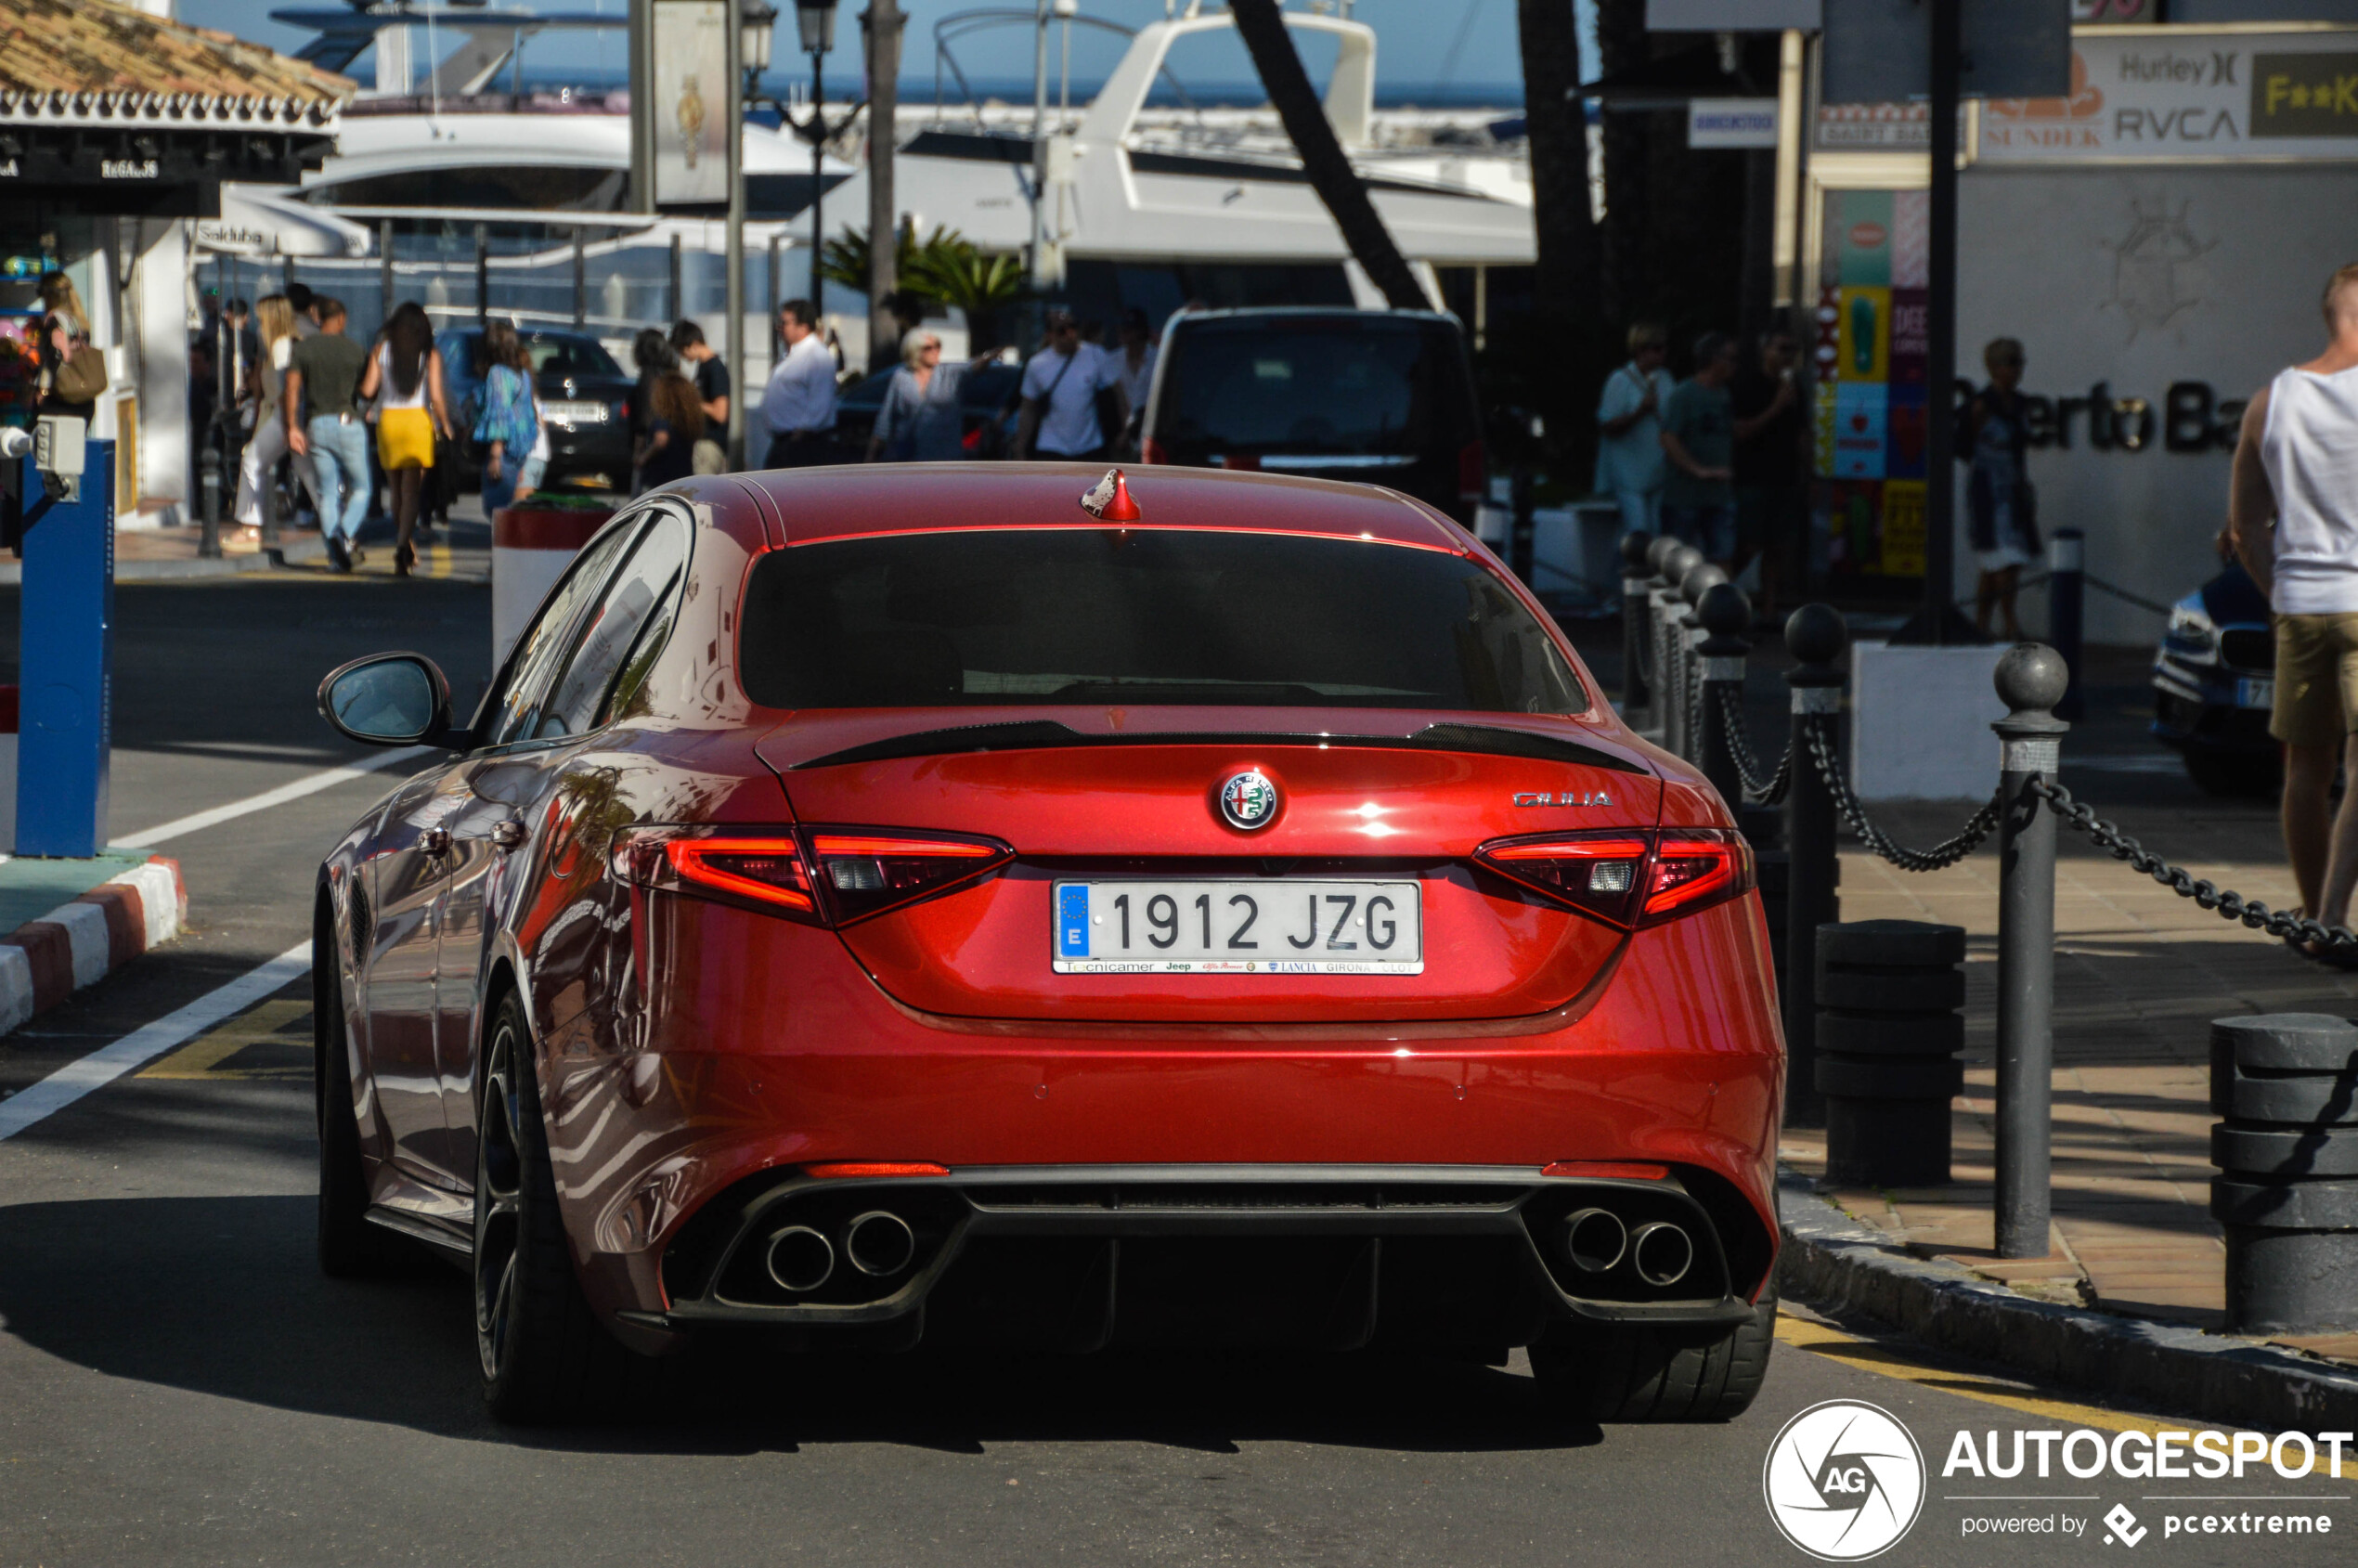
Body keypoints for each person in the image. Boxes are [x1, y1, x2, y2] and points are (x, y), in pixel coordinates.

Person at [2229, 262, 2358, 956]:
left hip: (2301, 605)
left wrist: (2282, 595)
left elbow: (2245, 529)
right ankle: (2336, 911)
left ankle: (2313, 912)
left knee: (2304, 771)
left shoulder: (2269, 402)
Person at [356, 301, 453, 576]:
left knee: (396, 491)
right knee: (412, 492)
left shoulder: (381, 350)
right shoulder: (429, 354)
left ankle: (404, 543)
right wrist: (445, 424)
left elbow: (367, 389)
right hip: (416, 422)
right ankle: (402, 547)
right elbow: (436, 395)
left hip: (388, 422)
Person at [284, 295, 371, 572]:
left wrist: (292, 427)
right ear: (342, 319)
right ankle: (342, 535)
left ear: (317, 317)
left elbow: (292, 389)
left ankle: (336, 558)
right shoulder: (356, 350)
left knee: (327, 493)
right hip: (348, 423)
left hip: (316, 424)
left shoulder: (303, 349)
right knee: (361, 488)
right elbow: (366, 390)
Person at [1963, 338, 2041, 640]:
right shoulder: (1981, 406)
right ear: (1996, 368)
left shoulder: (2020, 404)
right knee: (2002, 557)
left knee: (2004, 561)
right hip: (1988, 490)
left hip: (2012, 489)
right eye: (2012, 364)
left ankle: (1984, 621)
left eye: (2019, 363)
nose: (2018, 370)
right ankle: (2008, 620)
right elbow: (1965, 446)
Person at [1730, 327, 1807, 610]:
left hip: (1785, 475)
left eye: (1793, 350)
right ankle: (1721, 595)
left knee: (1778, 546)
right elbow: (1740, 431)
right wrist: (1776, 407)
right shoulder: (1749, 385)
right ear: (1766, 351)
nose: (1788, 356)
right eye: (1782, 349)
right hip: (1753, 474)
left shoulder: (1795, 387)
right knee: (1749, 544)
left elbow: (1801, 431)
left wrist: (1806, 473)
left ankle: (1769, 607)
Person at [234, 294, 318, 534]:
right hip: (291, 417)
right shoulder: (285, 343)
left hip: (284, 416)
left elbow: (285, 390)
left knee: (252, 461)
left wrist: (289, 426)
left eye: (261, 318)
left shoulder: (281, 345)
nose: (258, 324)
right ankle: (336, 524)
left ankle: (251, 526)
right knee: (307, 472)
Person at [1658, 331, 1740, 565]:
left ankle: (1720, 603)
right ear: (1714, 360)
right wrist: (1698, 470)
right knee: (1676, 564)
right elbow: (1667, 437)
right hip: (1685, 496)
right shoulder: (1683, 395)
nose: (1735, 365)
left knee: (1722, 559)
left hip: (1720, 494)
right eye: (1731, 358)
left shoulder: (1724, 394)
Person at [1595, 324, 1675, 539]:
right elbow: (1607, 425)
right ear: (1640, 350)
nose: (1663, 353)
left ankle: (1620, 572)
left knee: (1654, 533)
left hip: (1657, 471)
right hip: (1628, 473)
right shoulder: (1620, 380)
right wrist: (1640, 412)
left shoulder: (1666, 379)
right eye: (1657, 348)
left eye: (1664, 348)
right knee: (1639, 532)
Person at [1016, 309, 1123, 461]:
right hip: (1051, 447)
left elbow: (1118, 392)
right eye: (1062, 331)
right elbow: (1028, 408)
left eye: (1073, 327)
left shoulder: (1095, 354)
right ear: (1050, 335)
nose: (1070, 334)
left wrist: (1123, 430)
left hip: (1090, 446)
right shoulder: (1037, 365)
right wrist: (1021, 447)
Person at [867, 330, 983, 462]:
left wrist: (988, 357)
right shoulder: (901, 376)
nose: (935, 351)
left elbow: (974, 367)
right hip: (907, 456)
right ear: (914, 350)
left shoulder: (950, 374)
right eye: (929, 348)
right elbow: (885, 418)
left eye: (938, 346)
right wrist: (871, 455)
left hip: (945, 457)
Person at [759, 299, 840, 468]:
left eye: (784, 323)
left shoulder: (817, 356)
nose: (779, 328)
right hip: (786, 443)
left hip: (803, 445)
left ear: (803, 327)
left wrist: (802, 432)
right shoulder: (792, 355)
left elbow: (821, 402)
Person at [473, 320, 539, 515]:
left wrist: (495, 455)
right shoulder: (522, 373)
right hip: (521, 450)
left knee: (496, 511)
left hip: (503, 452)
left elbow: (499, 416)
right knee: (510, 510)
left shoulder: (497, 374)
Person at [35, 271, 102, 421]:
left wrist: (43, 390)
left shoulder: (54, 322)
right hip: (84, 400)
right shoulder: (78, 320)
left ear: (49, 296)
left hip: (60, 397)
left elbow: (53, 357)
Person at [669, 318, 731, 474]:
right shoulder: (703, 368)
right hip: (701, 443)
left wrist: (691, 401)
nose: (683, 356)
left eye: (682, 350)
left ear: (694, 344)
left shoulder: (715, 369)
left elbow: (720, 413)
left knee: (702, 494)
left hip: (710, 445)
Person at [634, 368, 704, 491]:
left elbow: (661, 441)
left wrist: (643, 457)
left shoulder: (663, 419)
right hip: (682, 477)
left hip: (659, 479)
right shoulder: (688, 420)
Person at [1112, 306, 1157, 454]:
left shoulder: (1158, 359)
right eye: (1122, 329)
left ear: (1140, 332)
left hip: (1152, 438)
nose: (1123, 333)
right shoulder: (1113, 360)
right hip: (1121, 440)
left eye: (1129, 329)